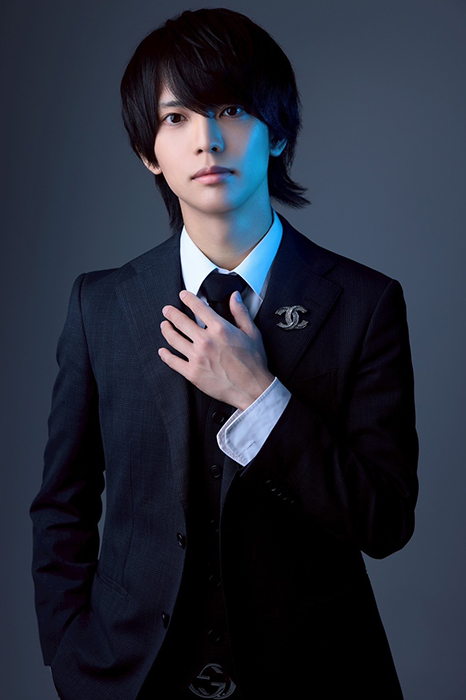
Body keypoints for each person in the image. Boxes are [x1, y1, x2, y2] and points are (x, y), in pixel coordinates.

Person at [30, 8, 418, 700]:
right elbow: (63, 502)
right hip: (131, 677)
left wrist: (260, 397)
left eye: (232, 110)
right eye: (176, 117)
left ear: (278, 132)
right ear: (149, 151)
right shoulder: (100, 305)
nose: (207, 140)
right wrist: (67, 651)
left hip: (316, 677)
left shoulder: (366, 303)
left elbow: (384, 521)